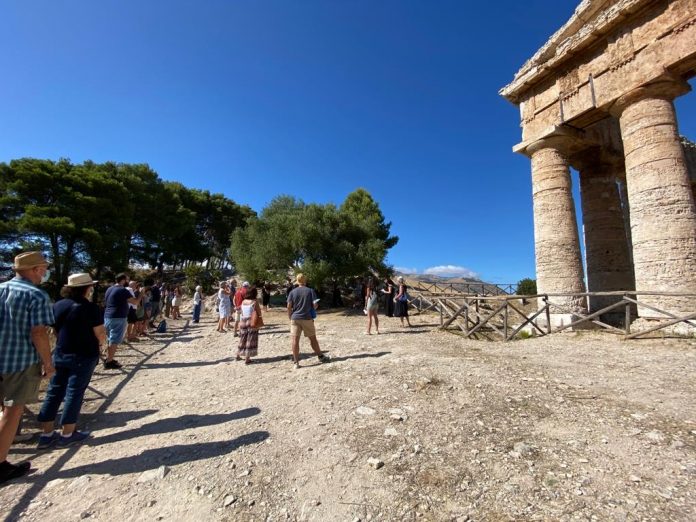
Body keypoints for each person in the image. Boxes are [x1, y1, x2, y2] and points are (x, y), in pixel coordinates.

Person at [0, 251, 55, 484]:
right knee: (13, 411)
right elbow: (39, 332)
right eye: (43, 268)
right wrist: (48, 363)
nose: (45, 272)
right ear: (34, 270)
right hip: (19, 361)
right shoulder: (36, 295)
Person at [36, 273, 105, 449]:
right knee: (74, 392)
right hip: (84, 353)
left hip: (60, 353)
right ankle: (68, 433)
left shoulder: (57, 305)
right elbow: (100, 333)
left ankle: (46, 434)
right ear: (87, 288)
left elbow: (53, 329)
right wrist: (102, 344)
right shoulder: (91, 308)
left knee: (54, 391)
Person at [287, 273, 330, 370]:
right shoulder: (310, 291)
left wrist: (290, 317)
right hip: (307, 318)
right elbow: (315, 305)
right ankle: (320, 356)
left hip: (295, 318)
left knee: (295, 340)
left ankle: (296, 362)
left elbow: (289, 306)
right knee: (312, 339)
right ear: (305, 281)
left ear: (297, 282)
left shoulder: (292, 292)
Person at [103, 273, 142, 369]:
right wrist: (141, 293)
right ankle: (109, 361)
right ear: (123, 280)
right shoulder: (122, 290)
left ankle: (108, 357)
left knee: (109, 338)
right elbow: (135, 302)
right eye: (127, 280)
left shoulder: (109, 289)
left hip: (107, 316)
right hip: (118, 317)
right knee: (114, 339)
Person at [237, 287, 262, 364]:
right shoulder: (254, 302)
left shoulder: (244, 301)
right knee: (250, 339)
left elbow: (241, 311)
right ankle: (247, 359)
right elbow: (259, 312)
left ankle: (238, 355)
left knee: (243, 338)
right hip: (251, 321)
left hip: (243, 320)